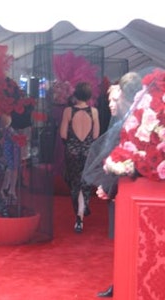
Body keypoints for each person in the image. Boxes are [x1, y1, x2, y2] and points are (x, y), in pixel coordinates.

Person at [82, 72, 142, 298]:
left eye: (114, 99)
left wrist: (108, 186)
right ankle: (120, 281)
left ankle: (124, 282)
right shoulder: (125, 122)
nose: (110, 103)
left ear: (127, 98)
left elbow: (130, 161)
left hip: (127, 193)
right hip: (120, 191)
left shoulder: (133, 124)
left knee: (129, 241)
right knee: (122, 241)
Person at [59, 82, 100, 233]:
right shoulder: (94, 112)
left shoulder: (68, 111)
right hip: (88, 150)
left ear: (75, 94)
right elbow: (96, 135)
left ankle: (79, 214)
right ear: (89, 96)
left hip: (72, 151)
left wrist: (71, 142)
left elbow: (63, 134)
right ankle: (82, 210)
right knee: (85, 183)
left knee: (75, 183)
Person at [0, 114, 22, 202]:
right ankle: (8, 189)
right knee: (10, 170)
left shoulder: (7, 130)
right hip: (10, 152)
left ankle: (10, 190)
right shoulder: (6, 131)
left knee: (11, 169)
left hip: (13, 151)